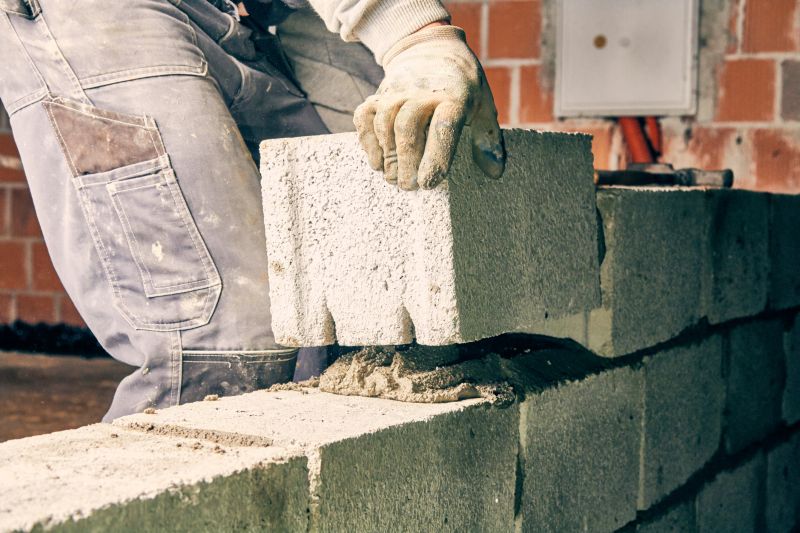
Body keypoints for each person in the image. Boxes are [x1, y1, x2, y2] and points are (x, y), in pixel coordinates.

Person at [0, 0, 504, 421]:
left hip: (239, 13)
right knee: (226, 346)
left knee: (354, 299)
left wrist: (403, 55)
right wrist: (415, 32)